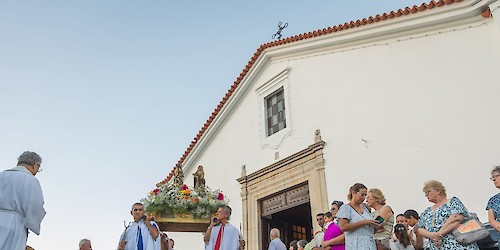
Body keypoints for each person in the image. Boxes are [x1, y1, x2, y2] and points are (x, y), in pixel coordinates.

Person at [0, 151, 46, 250]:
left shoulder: (1, 175)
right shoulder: (30, 180)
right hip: (14, 224)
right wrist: (31, 222)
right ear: (35, 165)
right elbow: (35, 205)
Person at [417, 180, 479, 250]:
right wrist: (431, 235)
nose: (426, 195)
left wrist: (439, 234)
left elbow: (456, 218)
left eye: (428, 192)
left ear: (438, 191)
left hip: (458, 245)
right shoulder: (427, 211)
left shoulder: (452, 202)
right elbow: (420, 229)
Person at [337, 183, 378, 250]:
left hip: (369, 244)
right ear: (354, 193)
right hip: (355, 245)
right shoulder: (346, 208)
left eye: (365, 195)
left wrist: (375, 227)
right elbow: (343, 227)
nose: (364, 198)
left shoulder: (365, 209)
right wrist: (363, 222)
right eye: (362, 195)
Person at [486, 165, 500, 233]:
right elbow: (491, 220)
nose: (494, 179)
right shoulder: (492, 200)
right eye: (493, 177)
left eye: (497, 176)